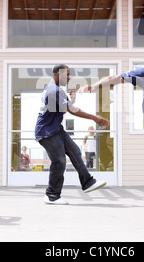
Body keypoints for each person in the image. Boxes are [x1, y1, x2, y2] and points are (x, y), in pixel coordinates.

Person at [35, 64, 109, 205]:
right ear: (58, 74)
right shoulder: (54, 90)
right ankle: (52, 195)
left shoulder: (54, 89)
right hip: (47, 132)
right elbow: (72, 110)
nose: (69, 77)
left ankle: (87, 182)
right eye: (67, 74)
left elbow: (63, 110)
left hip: (55, 129)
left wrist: (71, 102)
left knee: (75, 151)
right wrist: (95, 118)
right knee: (59, 161)